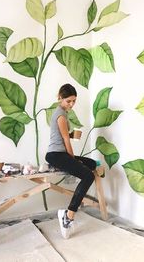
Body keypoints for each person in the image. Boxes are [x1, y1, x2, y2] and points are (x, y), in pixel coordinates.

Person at [45, 83, 97, 239]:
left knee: (92, 164)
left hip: (59, 153)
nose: (72, 104)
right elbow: (66, 142)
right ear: (60, 98)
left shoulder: (62, 113)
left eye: (74, 101)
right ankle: (68, 216)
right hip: (56, 155)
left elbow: (64, 136)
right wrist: (73, 160)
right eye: (69, 101)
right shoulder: (60, 115)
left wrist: (73, 135)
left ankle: (67, 214)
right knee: (89, 176)